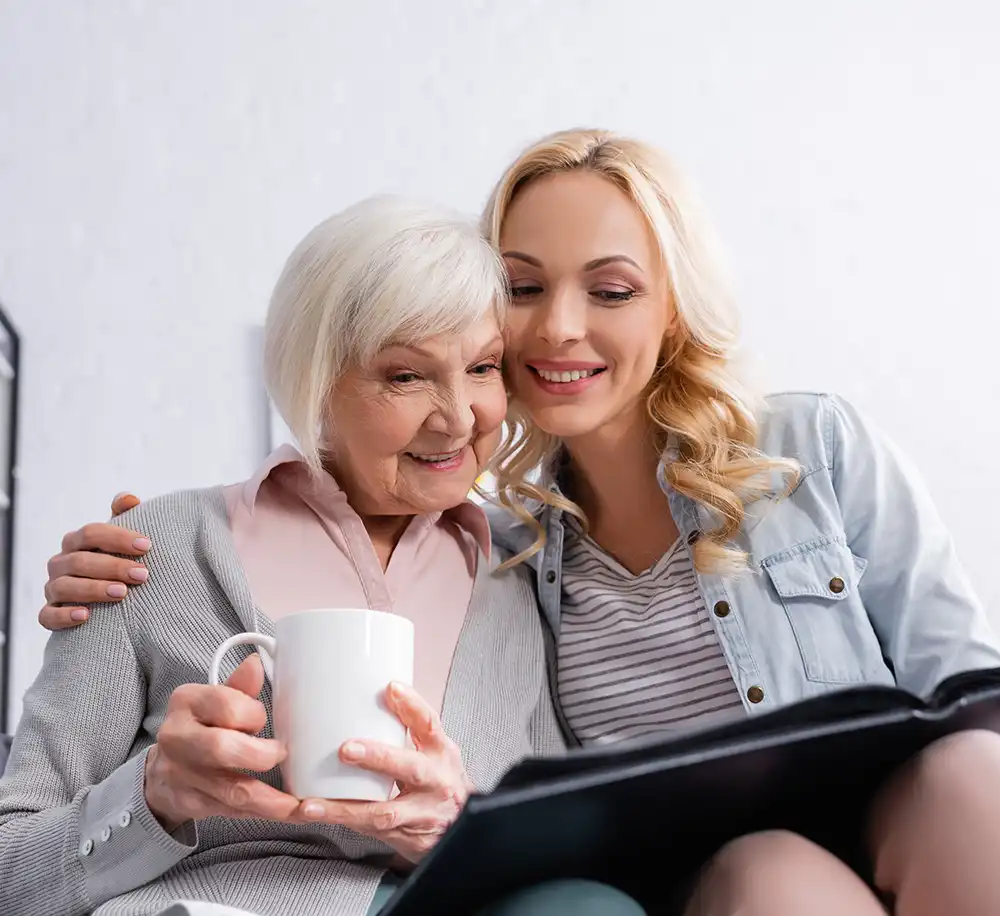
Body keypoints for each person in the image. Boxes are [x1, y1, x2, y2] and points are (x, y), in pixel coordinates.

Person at [38, 130, 1000, 916]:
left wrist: (449, 826)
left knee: (973, 777)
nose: (554, 331)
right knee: (773, 879)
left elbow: (964, 690)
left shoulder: (790, 456)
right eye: (524, 290)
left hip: (898, 810)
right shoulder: (518, 552)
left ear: (673, 309)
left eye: (611, 289)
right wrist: (150, 774)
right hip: (724, 878)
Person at [0, 195, 645, 916]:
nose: (459, 418)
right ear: (315, 382)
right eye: (406, 376)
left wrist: (455, 827)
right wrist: (152, 795)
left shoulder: (521, 567)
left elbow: (570, 844)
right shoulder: (155, 552)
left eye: (483, 368)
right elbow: (8, 869)